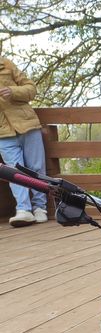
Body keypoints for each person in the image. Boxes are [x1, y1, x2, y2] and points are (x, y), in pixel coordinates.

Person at [0, 56, 48, 226]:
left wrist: (13, 91)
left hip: (27, 124)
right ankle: (23, 209)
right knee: (13, 172)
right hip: (3, 132)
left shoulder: (5, 64)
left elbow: (31, 88)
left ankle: (40, 208)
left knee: (36, 167)